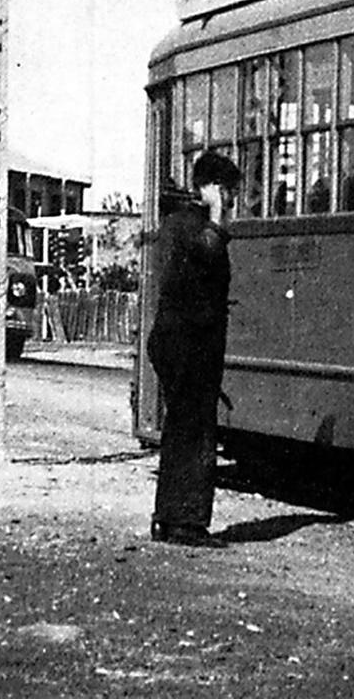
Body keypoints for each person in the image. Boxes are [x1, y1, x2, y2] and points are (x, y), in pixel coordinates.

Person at [146, 150, 241, 548]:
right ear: (215, 188)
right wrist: (217, 214)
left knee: (180, 430)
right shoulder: (193, 225)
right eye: (229, 191)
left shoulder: (176, 222)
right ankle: (185, 523)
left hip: (176, 339)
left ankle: (168, 519)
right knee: (196, 432)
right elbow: (210, 250)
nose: (233, 200)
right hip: (189, 342)